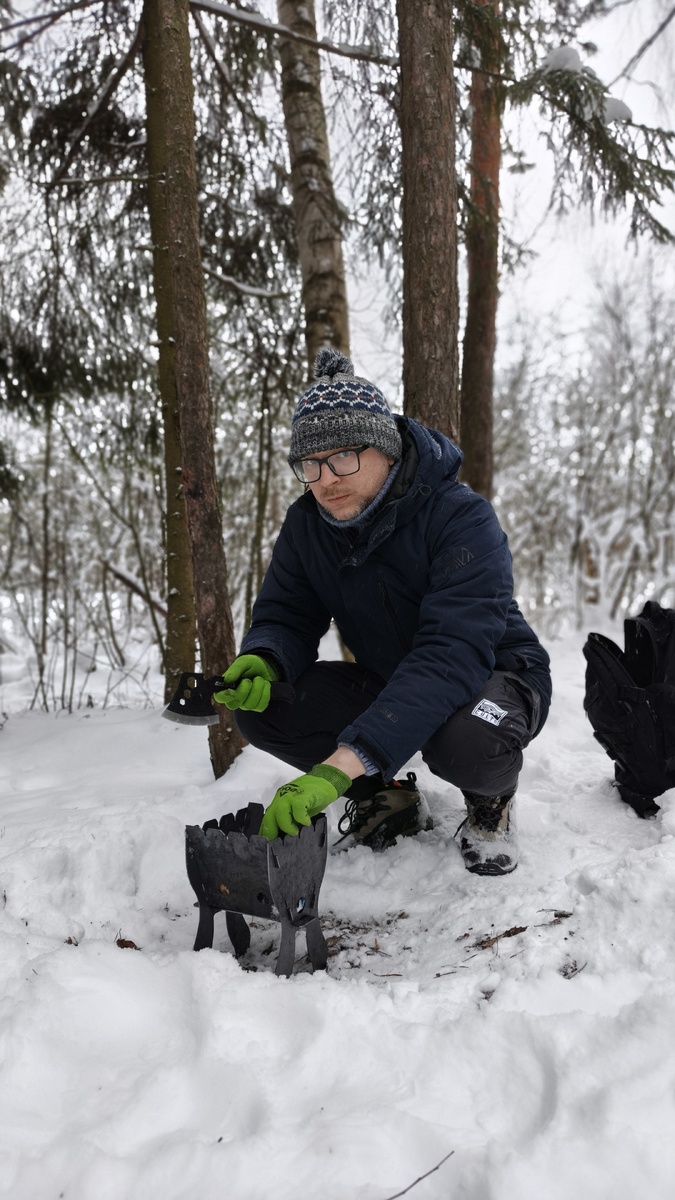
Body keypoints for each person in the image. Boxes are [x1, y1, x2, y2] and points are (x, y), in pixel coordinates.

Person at [215, 350, 551, 876]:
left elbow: (451, 655)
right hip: (389, 679)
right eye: (311, 464)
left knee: (465, 741)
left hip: (493, 677)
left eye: (344, 455)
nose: (326, 479)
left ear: (387, 449)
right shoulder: (308, 527)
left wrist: (338, 768)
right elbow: (286, 614)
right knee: (265, 708)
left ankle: (492, 802)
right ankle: (388, 796)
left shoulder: (460, 517)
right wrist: (267, 658)